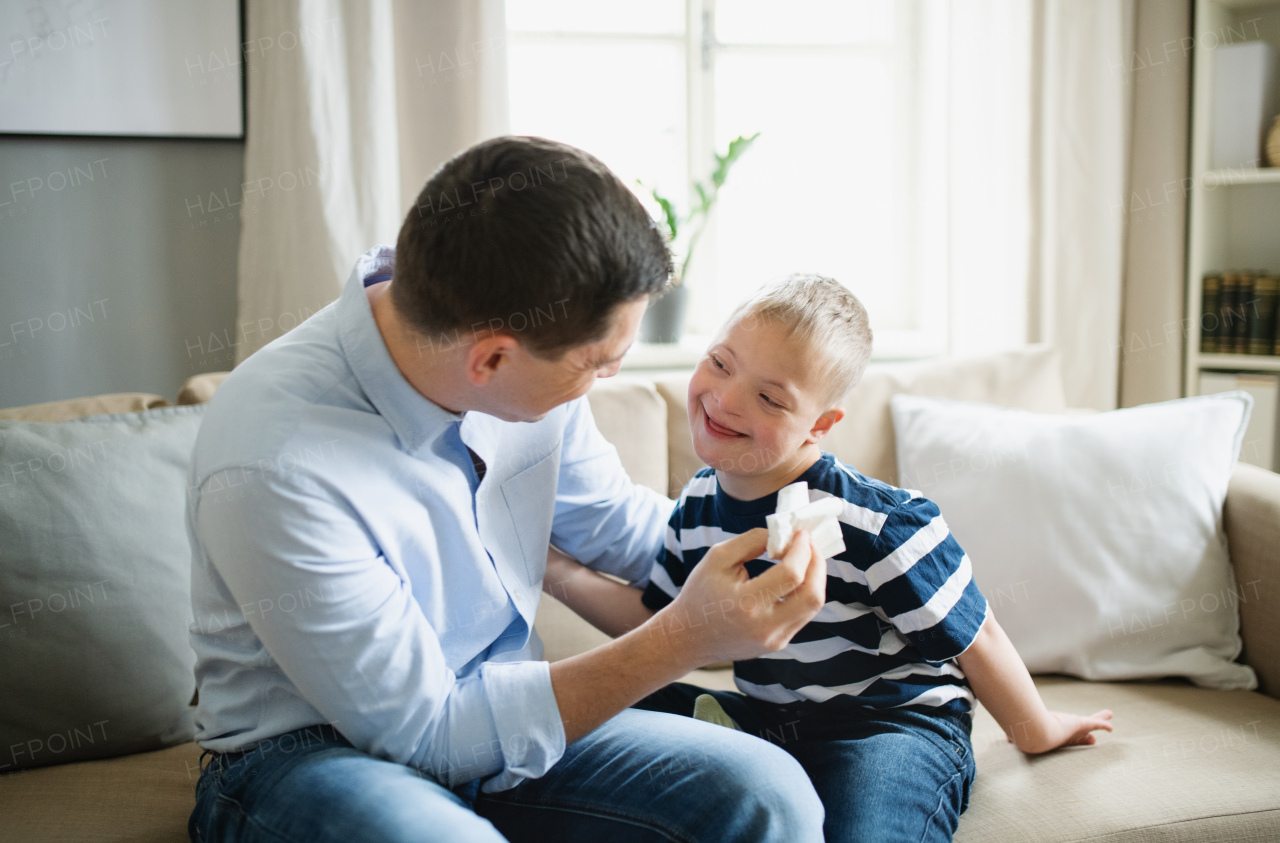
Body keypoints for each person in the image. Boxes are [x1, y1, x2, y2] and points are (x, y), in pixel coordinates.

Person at [186, 137, 830, 842]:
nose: (608, 378)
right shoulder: (276, 464)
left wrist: (807, 534)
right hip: (309, 753)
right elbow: (430, 734)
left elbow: (625, 529)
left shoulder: (519, 333)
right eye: (599, 364)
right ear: (492, 356)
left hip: (503, 703)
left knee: (769, 794)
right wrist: (684, 637)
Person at [543, 274, 1115, 842]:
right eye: (720, 363)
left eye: (769, 398)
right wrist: (554, 569)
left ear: (819, 425)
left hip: (890, 728)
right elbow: (659, 623)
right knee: (602, 710)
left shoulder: (879, 523)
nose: (725, 398)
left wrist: (1034, 730)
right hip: (768, 722)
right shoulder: (696, 507)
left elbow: (978, 634)